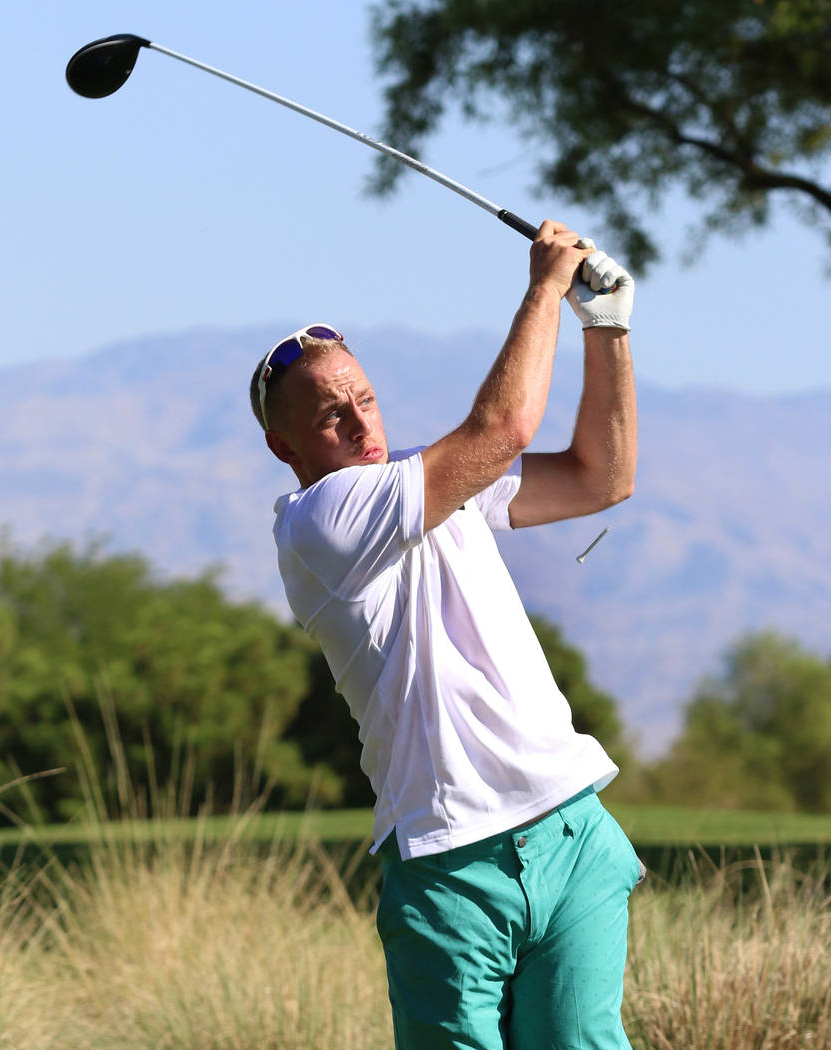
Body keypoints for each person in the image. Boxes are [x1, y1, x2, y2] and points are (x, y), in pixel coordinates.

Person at [249, 220, 642, 1050]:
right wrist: (544, 288)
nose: (358, 425)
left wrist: (604, 327)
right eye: (329, 417)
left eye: (363, 399)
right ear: (285, 449)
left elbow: (601, 477)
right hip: (447, 863)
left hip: (570, 828)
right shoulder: (318, 522)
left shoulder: (433, 479)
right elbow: (500, 432)